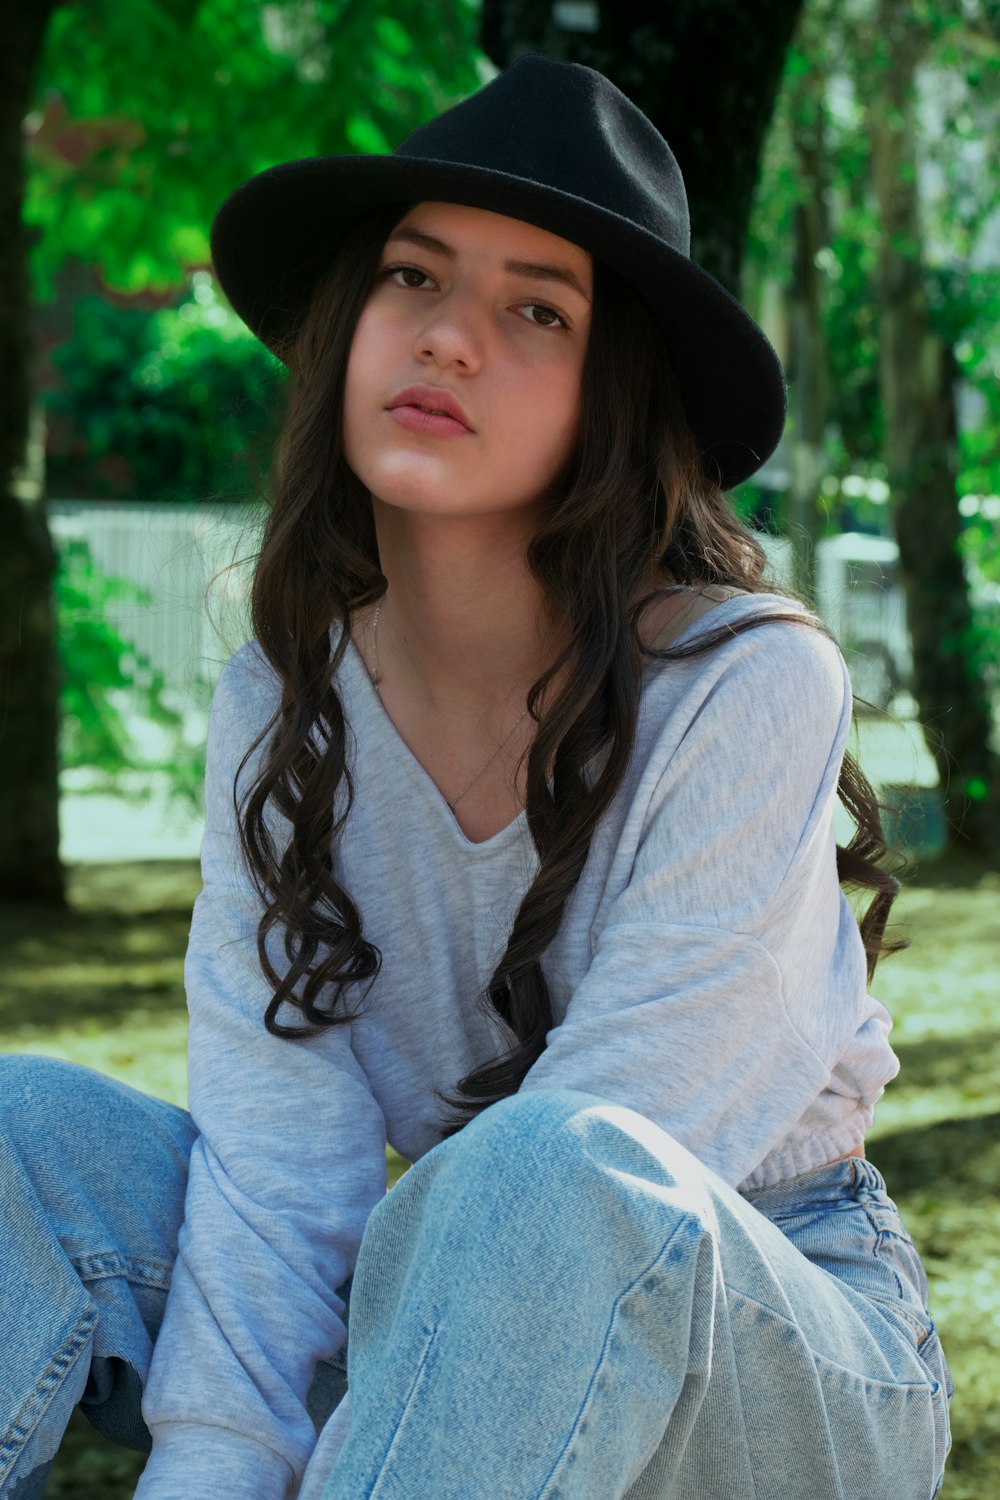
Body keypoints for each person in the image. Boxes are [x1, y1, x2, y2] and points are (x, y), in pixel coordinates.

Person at [0, 54, 952, 1500]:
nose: (447, 340)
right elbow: (281, 1165)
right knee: (27, 1135)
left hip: (771, 1335)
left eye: (535, 310)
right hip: (441, 1319)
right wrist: (212, 1461)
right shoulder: (287, 694)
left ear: (614, 389)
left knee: (546, 1164)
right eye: (413, 279)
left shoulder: (749, 681)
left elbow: (606, 1165)